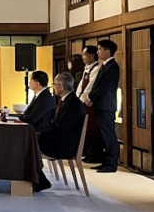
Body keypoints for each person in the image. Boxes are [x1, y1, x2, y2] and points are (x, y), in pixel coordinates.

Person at [86, 39, 121, 173]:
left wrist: (91, 97)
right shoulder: (105, 66)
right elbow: (97, 85)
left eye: (100, 49)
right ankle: (105, 161)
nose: (98, 52)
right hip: (100, 104)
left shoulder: (112, 67)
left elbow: (104, 88)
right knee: (102, 135)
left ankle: (111, 164)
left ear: (107, 51)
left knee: (108, 135)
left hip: (106, 105)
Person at [38, 72, 87, 161]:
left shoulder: (73, 104)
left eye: (54, 84)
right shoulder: (68, 101)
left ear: (61, 87)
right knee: (31, 140)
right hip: (61, 141)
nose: (53, 86)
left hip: (64, 146)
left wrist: (41, 134)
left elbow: (61, 128)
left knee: (29, 143)